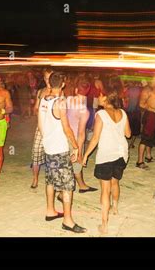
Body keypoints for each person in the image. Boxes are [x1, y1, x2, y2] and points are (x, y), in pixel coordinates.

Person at [38, 71, 86, 233]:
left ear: (50, 84)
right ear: (63, 84)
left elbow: (40, 125)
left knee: (50, 180)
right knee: (67, 186)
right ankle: (68, 220)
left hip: (48, 147)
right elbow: (67, 128)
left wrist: (47, 140)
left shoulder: (43, 99)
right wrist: (76, 146)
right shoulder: (60, 102)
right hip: (59, 148)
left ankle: (50, 210)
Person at [82, 85, 131, 234]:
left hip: (106, 155)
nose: (98, 98)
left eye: (101, 95)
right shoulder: (122, 112)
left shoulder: (101, 114)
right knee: (115, 182)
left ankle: (104, 225)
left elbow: (95, 138)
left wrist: (85, 155)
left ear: (107, 98)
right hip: (121, 154)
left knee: (105, 189)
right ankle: (115, 208)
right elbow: (128, 134)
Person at [66, 77, 97, 193]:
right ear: (88, 91)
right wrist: (78, 149)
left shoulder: (68, 100)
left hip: (65, 135)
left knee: (67, 163)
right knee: (77, 164)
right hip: (74, 138)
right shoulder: (84, 111)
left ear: (75, 90)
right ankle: (80, 187)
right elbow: (81, 133)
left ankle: (81, 185)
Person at [136, 72, 155, 169]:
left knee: (152, 137)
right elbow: (141, 104)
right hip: (150, 116)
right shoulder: (147, 89)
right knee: (146, 138)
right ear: (154, 77)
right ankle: (139, 161)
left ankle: (148, 156)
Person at [30, 69, 53, 189]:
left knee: (53, 154)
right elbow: (35, 108)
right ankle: (35, 179)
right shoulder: (40, 91)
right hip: (40, 127)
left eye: (50, 77)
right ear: (44, 78)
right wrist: (38, 110)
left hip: (53, 129)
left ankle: (52, 179)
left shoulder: (58, 92)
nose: (48, 80)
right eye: (46, 77)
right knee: (36, 153)